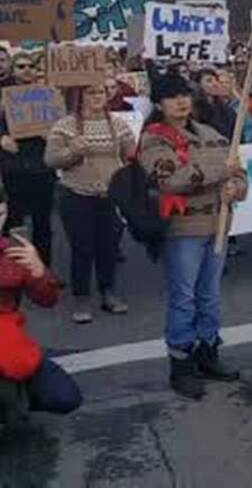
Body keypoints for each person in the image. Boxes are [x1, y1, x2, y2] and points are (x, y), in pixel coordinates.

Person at [138, 73, 247, 400]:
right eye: (172, 97)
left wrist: (237, 187)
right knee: (184, 298)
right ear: (159, 103)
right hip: (182, 230)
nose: (181, 101)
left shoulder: (212, 133)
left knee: (210, 297)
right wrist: (220, 175)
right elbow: (171, 179)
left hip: (218, 226)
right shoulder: (153, 139)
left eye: (184, 94)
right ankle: (181, 364)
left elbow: (238, 170)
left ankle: (208, 352)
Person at [44, 83, 135, 324]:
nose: (97, 97)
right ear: (80, 96)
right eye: (91, 92)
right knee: (82, 247)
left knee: (109, 245)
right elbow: (51, 160)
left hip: (110, 195)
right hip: (75, 193)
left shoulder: (118, 123)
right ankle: (81, 298)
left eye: (101, 92)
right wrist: (72, 151)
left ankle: (108, 291)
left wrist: (133, 155)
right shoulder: (64, 125)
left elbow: (131, 157)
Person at [0, 209, 81, 418]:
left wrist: (38, 271)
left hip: (10, 343)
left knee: (64, 397)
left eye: (0, 214)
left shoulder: (13, 252)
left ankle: (18, 398)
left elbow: (47, 300)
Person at [0, 52, 57, 265]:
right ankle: (11, 270)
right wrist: (1, 138)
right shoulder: (3, 96)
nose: (26, 70)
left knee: (42, 223)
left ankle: (43, 271)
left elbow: (62, 125)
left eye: (31, 66)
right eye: (21, 66)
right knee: (14, 221)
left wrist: (51, 133)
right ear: (13, 70)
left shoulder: (49, 95)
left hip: (42, 166)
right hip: (14, 168)